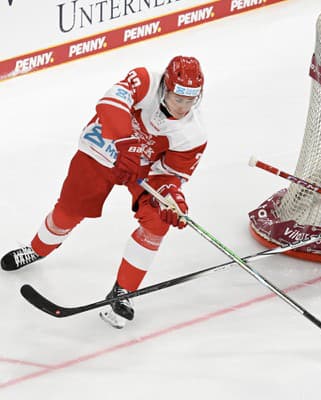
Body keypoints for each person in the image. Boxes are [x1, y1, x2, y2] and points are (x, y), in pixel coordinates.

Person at [1, 56, 208, 329]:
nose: (183, 107)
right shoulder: (145, 79)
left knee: (158, 220)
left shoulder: (193, 134)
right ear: (164, 88)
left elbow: (170, 175)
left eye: (189, 101)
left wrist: (172, 197)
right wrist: (126, 144)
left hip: (140, 170)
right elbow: (109, 104)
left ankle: (122, 291)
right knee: (68, 212)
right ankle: (37, 249)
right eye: (177, 98)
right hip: (101, 150)